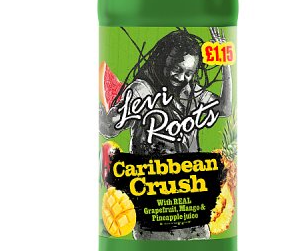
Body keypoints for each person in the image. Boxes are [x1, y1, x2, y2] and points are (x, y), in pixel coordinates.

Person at [99, 27, 232, 239]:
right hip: (150, 204)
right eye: (176, 69)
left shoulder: (192, 93)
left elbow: (225, 109)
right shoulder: (143, 90)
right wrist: (106, 115)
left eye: (189, 73)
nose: (182, 77)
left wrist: (226, 64)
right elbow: (108, 128)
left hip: (191, 202)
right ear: (164, 61)